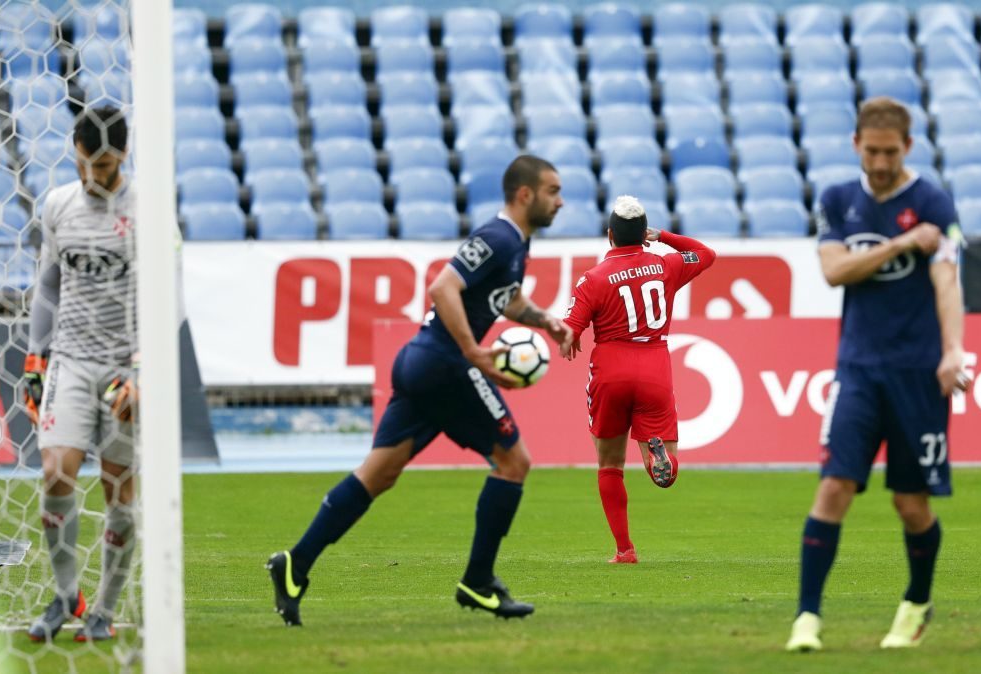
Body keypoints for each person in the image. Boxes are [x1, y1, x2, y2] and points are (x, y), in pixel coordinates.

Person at [267, 155, 574, 625]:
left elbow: (505, 299)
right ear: (525, 194)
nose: (561, 201)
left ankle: (296, 564)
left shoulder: (515, 244)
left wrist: (544, 320)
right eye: (553, 191)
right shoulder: (496, 237)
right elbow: (442, 287)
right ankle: (478, 581)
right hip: (445, 366)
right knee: (515, 463)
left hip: (422, 364)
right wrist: (473, 352)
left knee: (378, 474)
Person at [785, 97, 969, 652]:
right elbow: (835, 270)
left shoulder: (934, 200)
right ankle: (806, 619)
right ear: (855, 145)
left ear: (908, 147)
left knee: (910, 504)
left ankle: (915, 603)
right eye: (872, 151)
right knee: (834, 487)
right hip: (857, 369)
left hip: (917, 372)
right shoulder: (839, 199)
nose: (881, 162)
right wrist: (903, 242)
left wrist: (954, 349)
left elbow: (946, 280)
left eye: (891, 152)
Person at [24, 106, 142, 642]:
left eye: (103, 167)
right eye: (83, 164)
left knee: (119, 491)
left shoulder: (146, 212)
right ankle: (68, 593)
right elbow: (48, 285)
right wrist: (34, 354)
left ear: (121, 157)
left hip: (126, 367)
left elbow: (168, 302)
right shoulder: (58, 205)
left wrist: (145, 373)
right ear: (73, 153)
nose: (92, 177)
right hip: (70, 359)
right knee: (55, 471)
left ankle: (106, 609)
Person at [560, 195, 716, 563]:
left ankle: (624, 550)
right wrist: (663, 236)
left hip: (611, 367)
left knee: (609, 464)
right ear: (643, 234)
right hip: (654, 365)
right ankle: (663, 460)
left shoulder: (593, 279)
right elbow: (706, 253)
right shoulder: (665, 266)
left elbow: (569, 329)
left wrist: (571, 339)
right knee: (664, 464)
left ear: (609, 234)